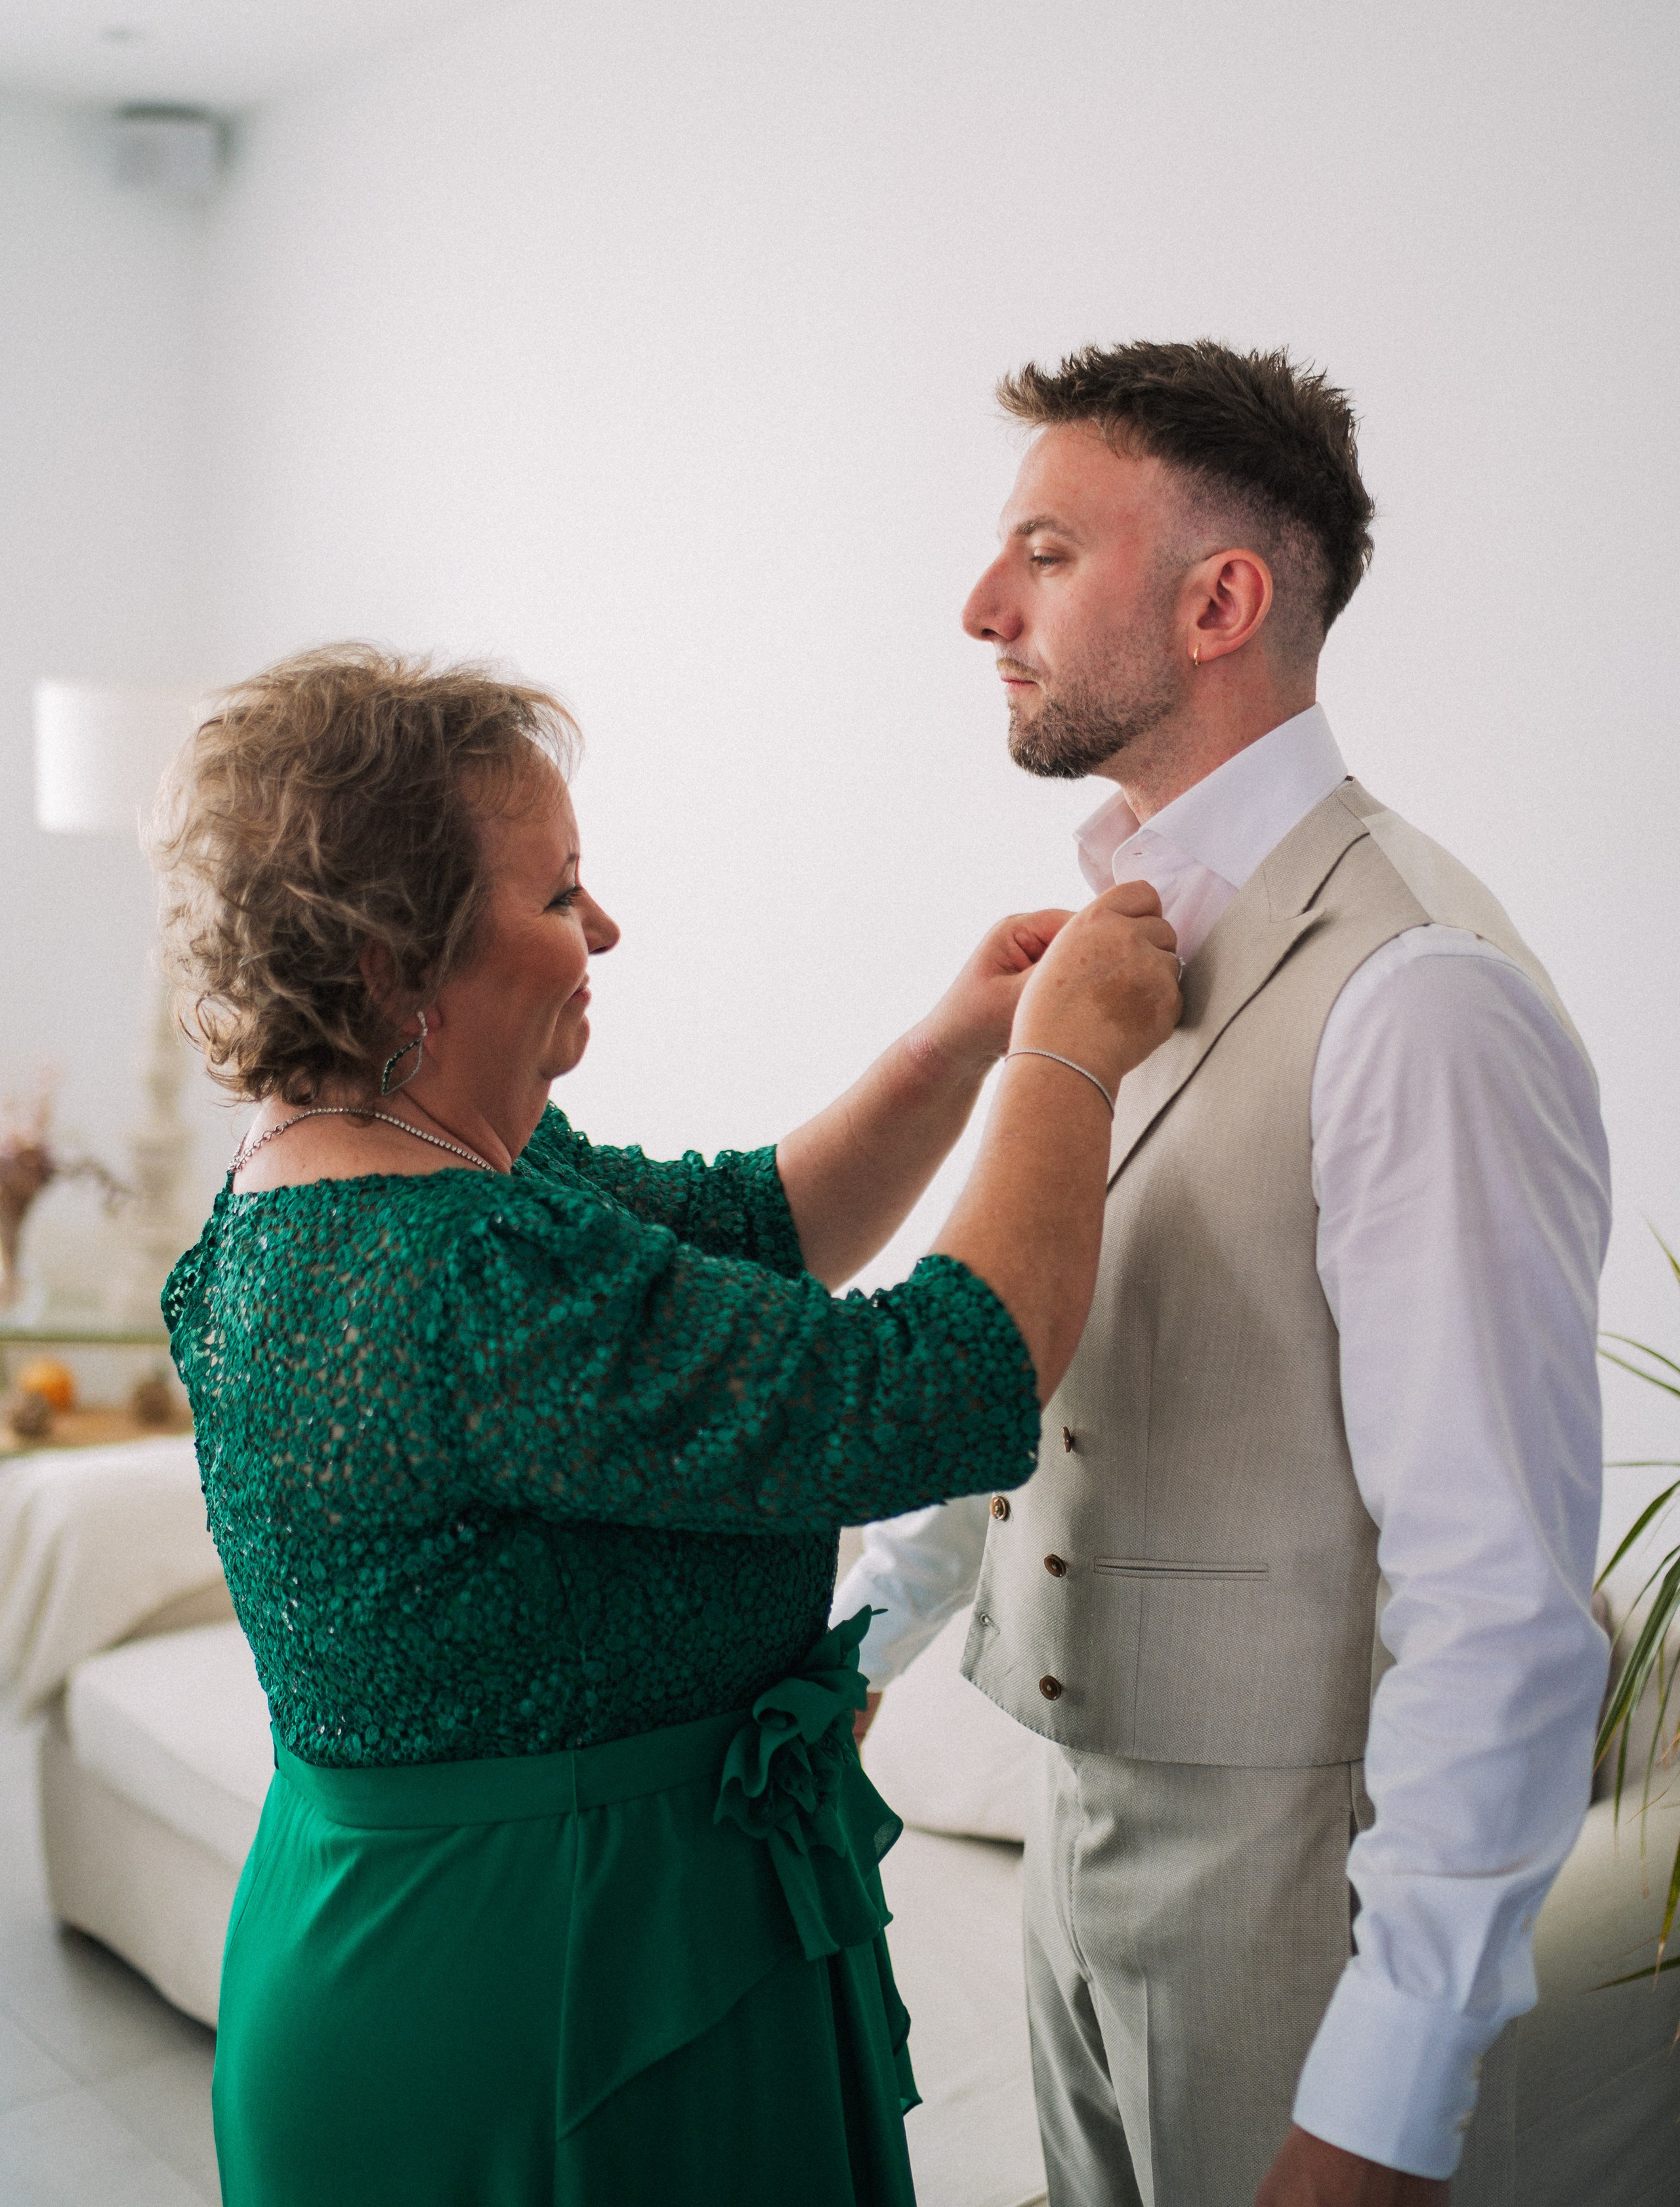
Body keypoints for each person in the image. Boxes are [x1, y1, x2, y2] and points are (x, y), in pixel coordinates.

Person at [150, 642, 1181, 2207]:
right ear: (388, 958)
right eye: (559, 896)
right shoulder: (460, 1272)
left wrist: (958, 1041)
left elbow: (746, 1227)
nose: (604, 928)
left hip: (455, 1939)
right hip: (551, 1997)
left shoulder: (362, 1172)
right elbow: (940, 1382)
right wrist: (1066, 1055)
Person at [834, 341, 1611, 2207]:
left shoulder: (1418, 995)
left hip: (1299, 1888)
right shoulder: (1110, 952)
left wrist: (1388, 2099)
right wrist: (858, 1656)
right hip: (1078, 1824)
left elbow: (1498, 1597)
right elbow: (1032, 1352)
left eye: (1041, 553)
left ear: (1221, 601)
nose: (977, 610)